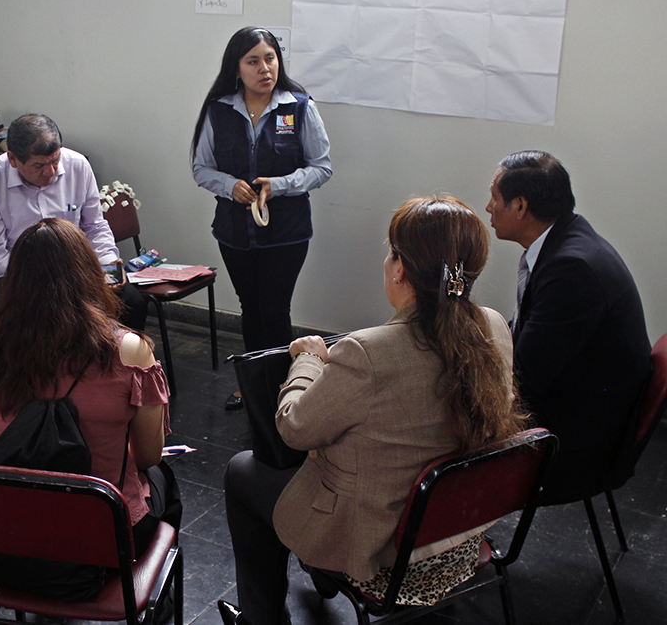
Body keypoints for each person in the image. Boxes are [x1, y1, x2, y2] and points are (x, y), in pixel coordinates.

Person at [217, 195, 528, 625]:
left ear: (400, 268)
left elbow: (294, 428)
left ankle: (261, 617)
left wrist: (307, 360)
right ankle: (317, 573)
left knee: (243, 472)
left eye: (390, 252)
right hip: (457, 531)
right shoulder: (493, 325)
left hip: (380, 547)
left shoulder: (367, 352)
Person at [0, 217, 181, 600]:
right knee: (164, 482)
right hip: (107, 543)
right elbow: (148, 455)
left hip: (12, 544)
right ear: (89, 274)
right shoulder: (129, 351)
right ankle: (155, 604)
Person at [485, 151, 650, 504]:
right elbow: (529, 332)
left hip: (579, 442)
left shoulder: (571, 269)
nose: (488, 207)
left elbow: (526, 376)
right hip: (581, 404)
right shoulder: (567, 239)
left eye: (494, 198)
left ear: (520, 206)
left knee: (442, 425)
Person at [191, 26, 333, 412]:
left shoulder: (299, 106)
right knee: (250, 308)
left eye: (269, 58)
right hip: (234, 233)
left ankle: (284, 388)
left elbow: (321, 168)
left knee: (275, 309)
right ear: (236, 68)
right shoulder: (219, 110)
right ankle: (254, 385)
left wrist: (281, 184)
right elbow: (201, 169)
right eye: (253, 61)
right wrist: (229, 185)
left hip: (286, 233)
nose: (264, 68)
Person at [0, 113, 147, 333]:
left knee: (131, 302)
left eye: (55, 161)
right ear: (13, 159)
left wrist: (107, 264)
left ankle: (121, 366)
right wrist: (51, 274)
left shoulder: (77, 165)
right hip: (20, 278)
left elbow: (95, 226)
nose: (51, 172)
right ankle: (68, 366)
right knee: (55, 318)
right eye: (39, 166)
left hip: (75, 267)